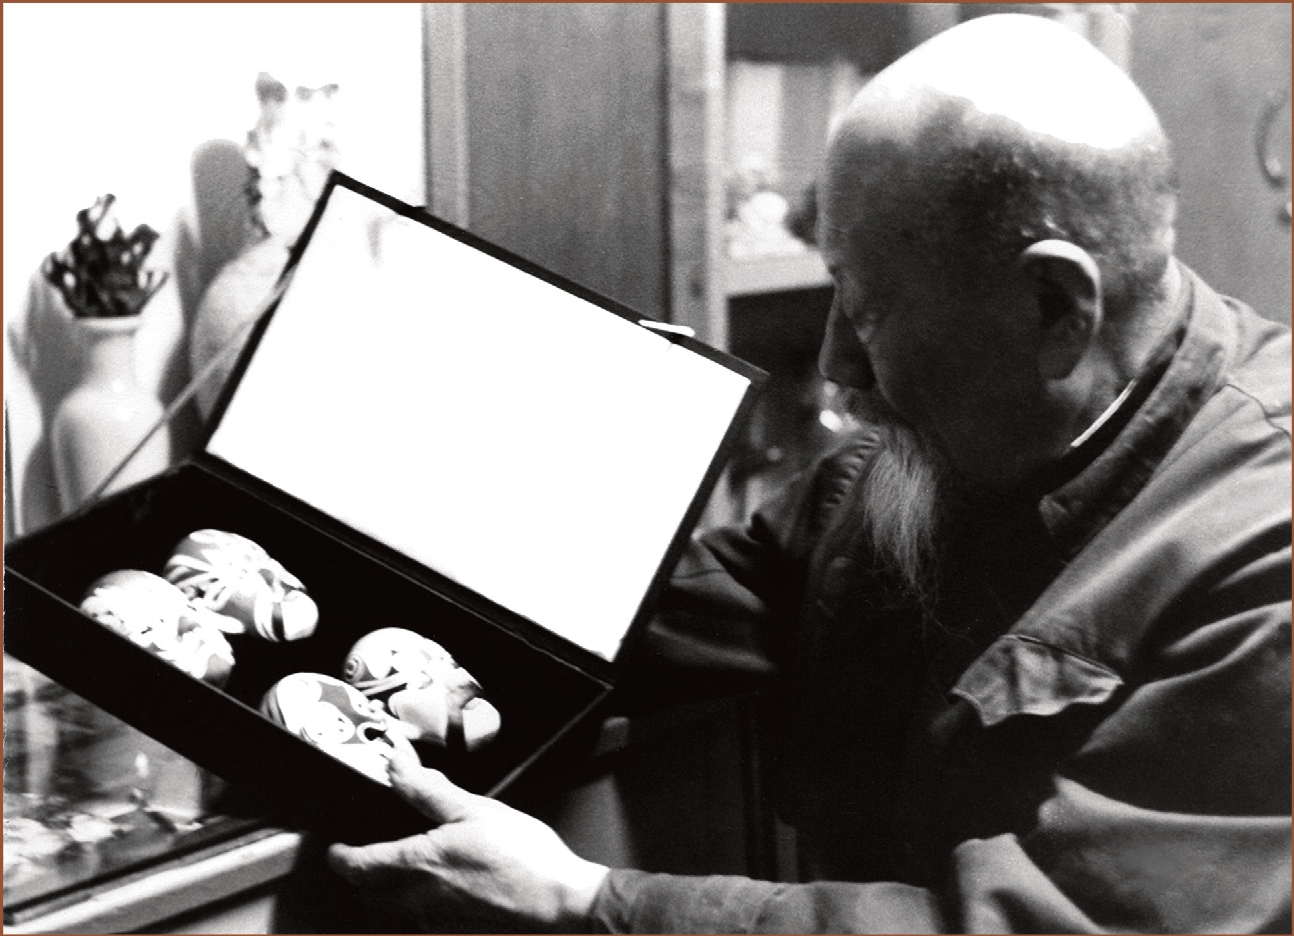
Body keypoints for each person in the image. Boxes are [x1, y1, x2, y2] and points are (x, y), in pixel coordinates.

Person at [327, 14, 1291, 933]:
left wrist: (588, 904)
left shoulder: (1263, 552)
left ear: (1055, 308)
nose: (836, 363)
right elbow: (676, 604)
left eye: (869, 312)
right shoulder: (928, 455)